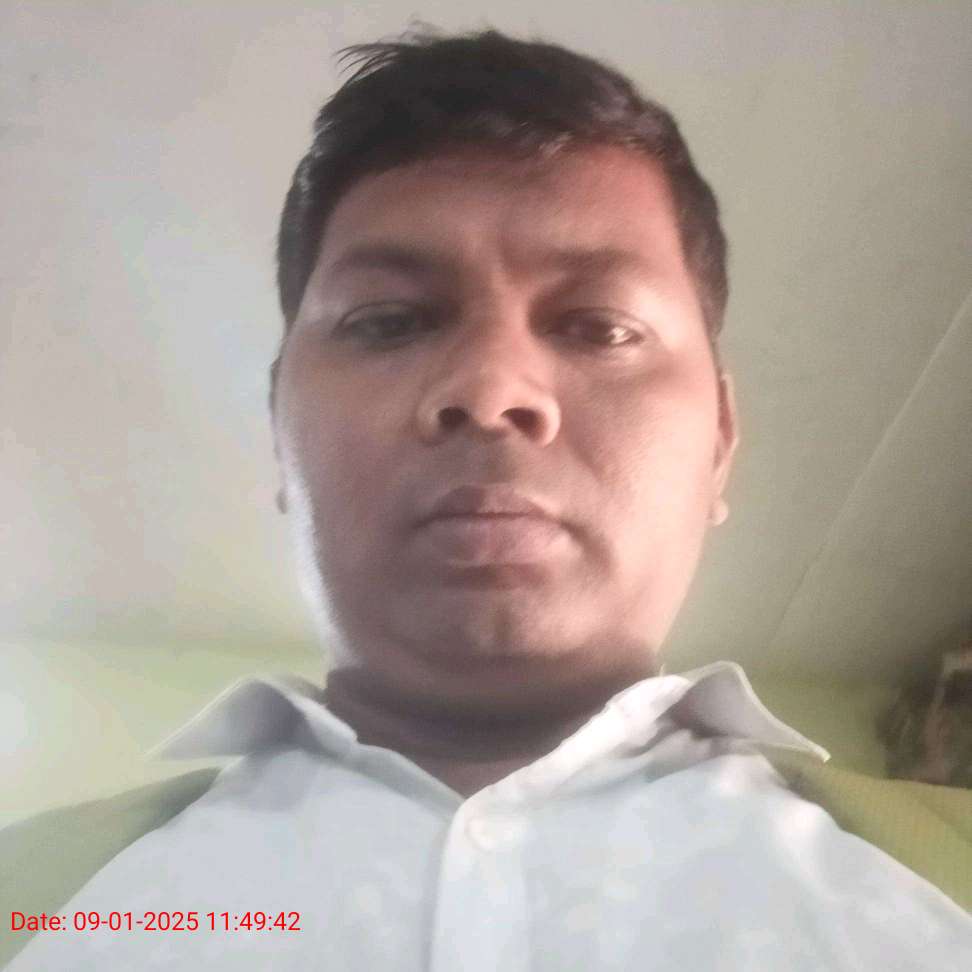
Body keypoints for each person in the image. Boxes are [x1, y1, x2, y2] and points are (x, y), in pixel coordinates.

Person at [3, 24, 971, 971]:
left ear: (718, 441)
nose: (491, 388)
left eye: (599, 326)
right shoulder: (29, 899)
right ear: (278, 435)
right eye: (389, 321)